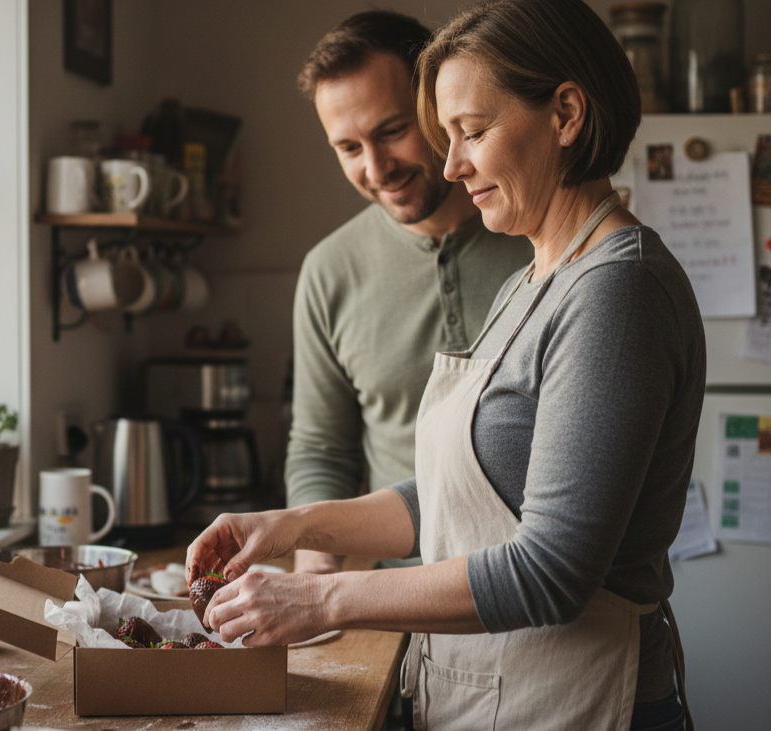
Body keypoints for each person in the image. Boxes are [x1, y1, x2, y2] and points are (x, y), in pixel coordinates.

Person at [186, 1, 705, 729]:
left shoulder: (619, 289)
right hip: (500, 691)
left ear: (564, 114)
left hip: (588, 701)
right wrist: (293, 524)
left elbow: (551, 571)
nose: (453, 164)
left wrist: (321, 599)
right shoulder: (538, 275)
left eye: (471, 131)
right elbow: (460, 489)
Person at [288, 10, 532, 574]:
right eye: (348, 148)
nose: (377, 169)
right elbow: (321, 448)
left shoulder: (537, 235)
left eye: (391, 131)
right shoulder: (328, 271)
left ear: (436, 107)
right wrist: (314, 564)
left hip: (540, 589)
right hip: (400, 596)